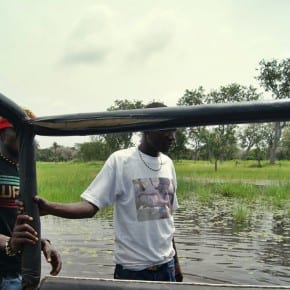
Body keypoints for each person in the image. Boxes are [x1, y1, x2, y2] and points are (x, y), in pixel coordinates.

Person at [33, 102, 183, 282]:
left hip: (167, 266)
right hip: (133, 270)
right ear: (146, 128)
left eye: (174, 130)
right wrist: (50, 207)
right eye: (166, 130)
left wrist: (176, 264)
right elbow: (90, 207)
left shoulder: (168, 164)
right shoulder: (121, 161)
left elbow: (167, 220)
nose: (172, 137)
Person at [0, 111, 62, 290]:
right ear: (2, 134)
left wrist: (42, 242)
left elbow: (17, 219)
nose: (26, 137)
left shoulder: (24, 170)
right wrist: (10, 244)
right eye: (17, 130)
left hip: (19, 270)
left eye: (30, 133)